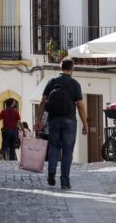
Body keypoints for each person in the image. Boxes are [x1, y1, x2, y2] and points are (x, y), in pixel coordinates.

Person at [35, 58, 88, 190]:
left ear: (60, 67)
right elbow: (80, 106)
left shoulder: (52, 81)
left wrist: (38, 120)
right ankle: (65, 181)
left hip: (53, 120)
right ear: (72, 69)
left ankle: (51, 171)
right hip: (70, 120)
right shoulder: (75, 84)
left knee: (53, 147)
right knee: (67, 151)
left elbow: (42, 101)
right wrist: (85, 123)